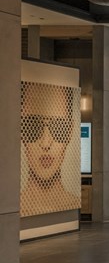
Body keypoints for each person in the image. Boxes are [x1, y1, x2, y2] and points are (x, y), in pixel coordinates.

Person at [21, 82, 80, 216]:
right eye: (33, 126)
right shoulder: (14, 209)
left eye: (58, 127)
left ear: (70, 131)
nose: (46, 143)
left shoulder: (73, 204)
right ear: (22, 130)